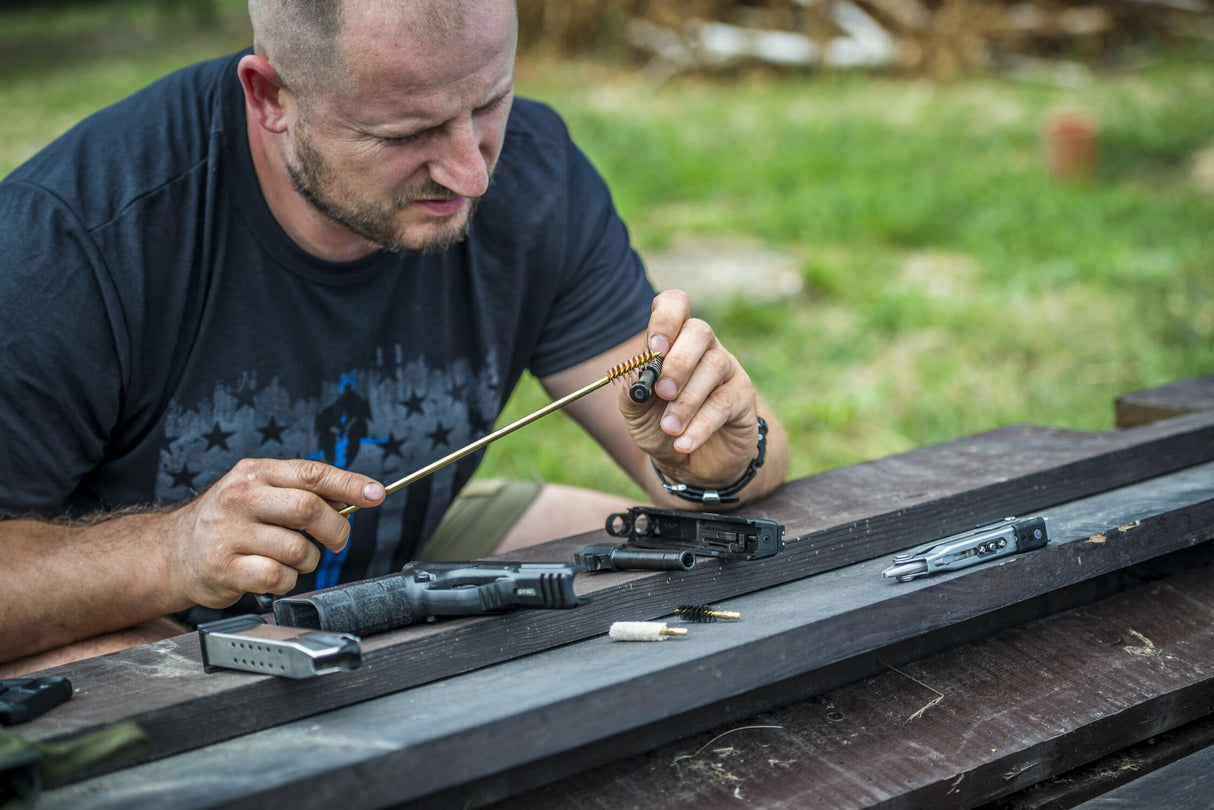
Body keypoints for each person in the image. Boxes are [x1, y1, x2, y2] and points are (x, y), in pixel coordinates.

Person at [0, 0, 788, 674]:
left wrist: (713, 461)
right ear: (271, 95)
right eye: (406, 133)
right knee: (156, 703)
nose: (471, 175)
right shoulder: (69, 241)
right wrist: (170, 553)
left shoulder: (535, 174)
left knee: (678, 576)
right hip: (140, 604)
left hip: (408, 543)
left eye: (489, 104)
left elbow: (723, 461)